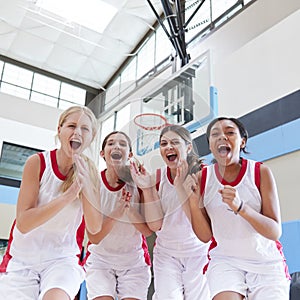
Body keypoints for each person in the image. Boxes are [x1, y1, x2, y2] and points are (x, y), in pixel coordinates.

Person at [179, 117, 290, 300]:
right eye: (215, 134)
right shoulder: (202, 178)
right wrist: (192, 200)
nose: (222, 137)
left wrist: (241, 207)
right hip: (226, 261)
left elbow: (274, 231)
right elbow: (205, 236)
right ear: (210, 144)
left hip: (265, 262)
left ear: (242, 141)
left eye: (230, 132)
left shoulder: (260, 172)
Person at [0, 105, 102, 300]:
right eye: (72, 126)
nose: (77, 132)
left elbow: (95, 229)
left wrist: (87, 187)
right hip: (22, 259)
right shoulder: (37, 162)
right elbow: (24, 222)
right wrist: (67, 196)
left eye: (85, 129)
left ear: (91, 137)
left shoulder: (90, 173)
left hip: (62, 260)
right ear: (59, 130)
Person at [130, 124, 210, 300]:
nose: (168, 147)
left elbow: (205, 225)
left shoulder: (203, 175)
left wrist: (183, 188)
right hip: (167, 254)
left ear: (188, 147)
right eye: (163, 144)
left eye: (175, 142)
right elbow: (155, 225)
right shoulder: (157, 178)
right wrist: (148, 189)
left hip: (198, 252)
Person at [84, 131, 153, 300]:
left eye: (122, 144)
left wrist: (130, 211)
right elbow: (94, 237)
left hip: (133, 262)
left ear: (129, 154)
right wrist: (118, 212)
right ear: (102, 153)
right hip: (100, 259)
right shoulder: (93, 184)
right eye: (111, 143)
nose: (116, 146)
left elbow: (148, 231)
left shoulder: (139, 183)